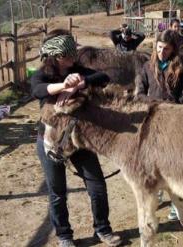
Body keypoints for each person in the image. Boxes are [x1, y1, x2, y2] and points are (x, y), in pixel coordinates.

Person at [31, 29, 122, 247]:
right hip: (51, 140)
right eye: (67, 56)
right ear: (54, 55)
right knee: (57, 192)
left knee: (97, 185)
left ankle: (103, 229)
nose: (73, 59)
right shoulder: (42, 73)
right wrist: (63, 86)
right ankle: (64, 235)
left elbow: (103, 77)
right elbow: (37, 89)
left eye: (73, 54)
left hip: (79, 139)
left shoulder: (77, 69)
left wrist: (79, 83)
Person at [136, 29, 183, 220]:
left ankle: (180, 204)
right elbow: (139, 93)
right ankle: (159, 193)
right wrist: (153, 103)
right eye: (159, 48)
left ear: (173, 49)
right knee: (154, 161)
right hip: (153, 121)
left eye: (166, 49)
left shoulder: (182, 63)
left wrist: (181, 102)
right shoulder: (146, 66)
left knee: (176, 163)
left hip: (176, 120)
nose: (161, 52)